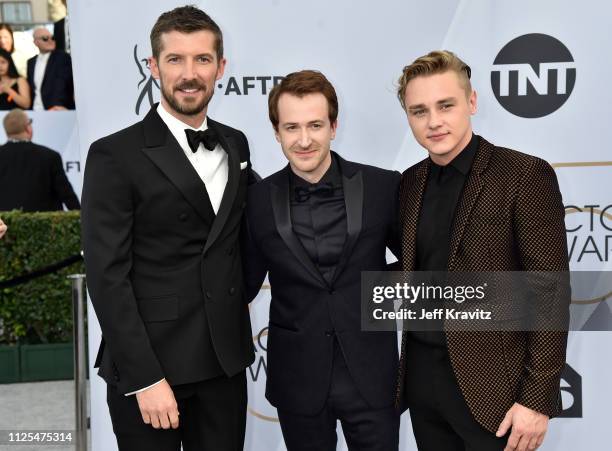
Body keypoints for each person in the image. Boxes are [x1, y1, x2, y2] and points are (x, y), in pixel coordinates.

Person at [81, 6, 254, 451]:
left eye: (202, 59)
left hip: (224, 364)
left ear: (221, 68)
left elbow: (245, 235)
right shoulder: (114, 155)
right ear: (153, 67)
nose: (189, 73)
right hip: (153, 367)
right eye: (175, 59)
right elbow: (107, 277)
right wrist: (146, 378)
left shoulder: (236, 143)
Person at [395, 50, 569, 451]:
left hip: (497, 393)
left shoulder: (523, 175)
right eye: (419, 111)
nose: (433, 121)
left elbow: (550, 290)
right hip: (423, 382)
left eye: (445, 105)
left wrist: (536, 399)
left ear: (471, 102)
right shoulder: (408, 184)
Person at [243, 70, 401, 451]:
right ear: (276, 132)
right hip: (297, 380)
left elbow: (420, 260)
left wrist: (375, 293)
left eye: (315, 125)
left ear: (334, 126)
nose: (304, 139)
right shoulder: (255, 201)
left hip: (372, 376)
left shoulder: (383, 186)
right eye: (291, 127)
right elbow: (240, 284)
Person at [0, 108, 79, 211]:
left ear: (7, 132)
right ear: (28, 128)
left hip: (5, 224)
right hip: (45, 225)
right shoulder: (50, 156)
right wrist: (81, 219)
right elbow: (67, 195)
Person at [27, 27, 75, 110]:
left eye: (52, 38)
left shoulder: (63, 58)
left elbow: (68, 83)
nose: (50, 41)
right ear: (35, 42)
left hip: (58, 110)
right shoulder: (31, 62)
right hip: (35, 111)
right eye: (45, 38)